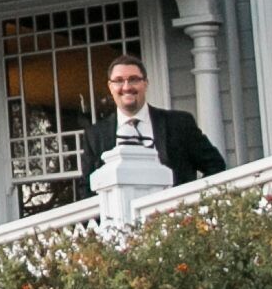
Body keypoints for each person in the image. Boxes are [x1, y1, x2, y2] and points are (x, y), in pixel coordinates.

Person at [77, 58, 227, 191]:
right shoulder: (95, 135)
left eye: (134, 79)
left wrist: (193, 203)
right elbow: (87, 186)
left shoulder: (179, 123)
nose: (127, 86)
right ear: (110, 86)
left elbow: (215, 166)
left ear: (145, 83)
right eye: (119, 81)